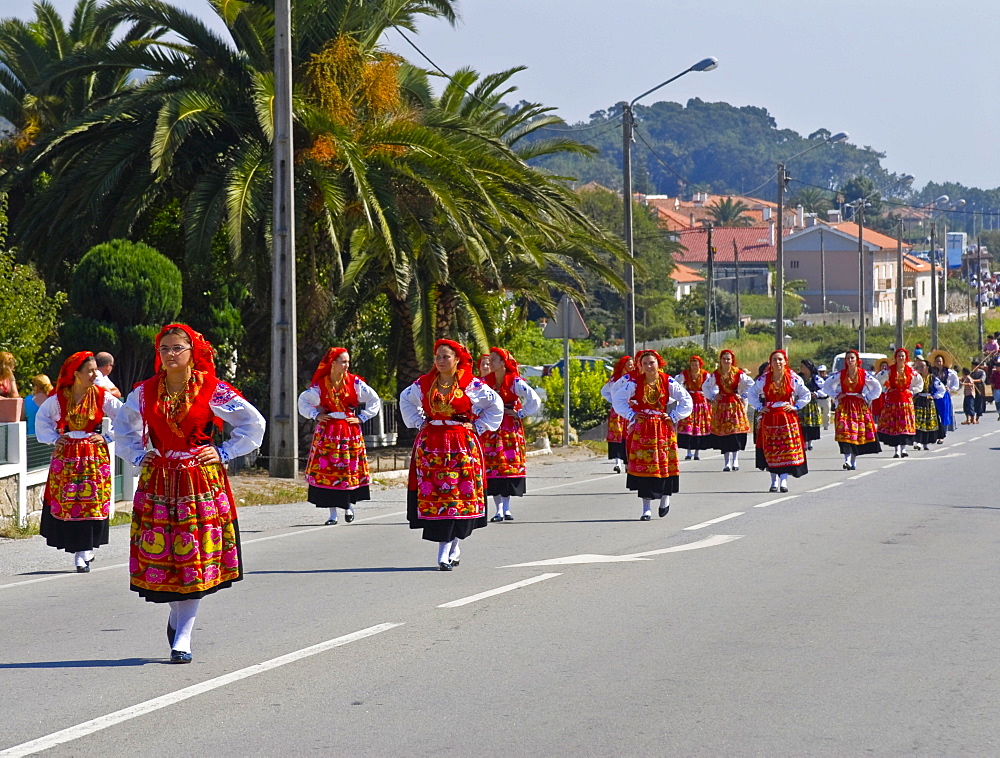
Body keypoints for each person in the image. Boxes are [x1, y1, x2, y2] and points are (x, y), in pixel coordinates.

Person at [114, 324, 265, 664]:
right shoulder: (144, 392)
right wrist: (139, 456)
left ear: (191, 352)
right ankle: (176, 615)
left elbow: (253, 423)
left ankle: (183, 634)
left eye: (177, 348)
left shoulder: (213, 389)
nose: (170, 354)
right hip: (159, 481)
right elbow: (123, 428)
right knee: (165, 554)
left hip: (200, 481)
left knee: (194, 555)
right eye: (164, 348)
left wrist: (224, 452)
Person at [399, 339, 502, 570]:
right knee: (438, 496)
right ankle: (446, 548)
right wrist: (418, 422)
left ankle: (450, 547)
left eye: (446, 357)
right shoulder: (424, 383)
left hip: (461, 445)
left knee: (457, 495)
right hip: (431, 445)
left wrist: (479, 426)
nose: (441, 361)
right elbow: (405, 399)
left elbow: (495, 404)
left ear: (457, 359)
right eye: (438, 357)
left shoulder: (471, 384)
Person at [36, 353, 122, 572]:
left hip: (93, 455)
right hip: (66, 457)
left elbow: (126, 418)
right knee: (70, 503)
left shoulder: (102, 396)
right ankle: (79, 551)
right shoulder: (60, 398)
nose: (95, 375)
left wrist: (107, 437)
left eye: (95, 370)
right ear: (76, 374)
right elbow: (42, 418)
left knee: (90, 502)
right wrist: (54, 438)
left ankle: (84, 551)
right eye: (90, 371)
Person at [298, 347, 382, 526]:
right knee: (330, 471)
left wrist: (361, 417)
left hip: (349, 431)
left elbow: (374, 399)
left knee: (348, 470)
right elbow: (303, 400)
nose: (346, 365)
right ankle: (332, 514)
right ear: (333, 363)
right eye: (343, 362)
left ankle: (349, 506)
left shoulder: (355, 382)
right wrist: (315, 415)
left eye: (348, 362)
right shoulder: (321, 385)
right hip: (328, 431)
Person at [611, 350, 692, 520]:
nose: (649, 366)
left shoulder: (668, 381)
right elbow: (617, 399)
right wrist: (632, 415)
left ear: (658, 363)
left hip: (662, 428)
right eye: (645, 363)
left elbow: (685, 399)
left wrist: (674, 416)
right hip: (643, 428)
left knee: (664, 464)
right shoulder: (634, 383)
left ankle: (665, 498)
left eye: (652, 362)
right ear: (640, 365)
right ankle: (646, 509)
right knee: (644, 466)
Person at [481, 347, 541, 522]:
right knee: (493, 468)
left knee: (507, 467)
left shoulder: (514, 381)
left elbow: (534, 399)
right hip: (491, 428)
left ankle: (506, 508)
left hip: (508, 427)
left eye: (493, 360)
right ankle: (498, 510)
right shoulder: (484, 382)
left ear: (502, 363)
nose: (490, 363)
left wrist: (520, 413)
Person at [747, 350, 811, 492]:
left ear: (785, 361)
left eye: (780, 359)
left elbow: (805, 394)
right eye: (774, 360)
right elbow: (751, 393)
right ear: (770, 362)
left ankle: (784, 481)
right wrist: (759, 407)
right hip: (770, 417)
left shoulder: (793, 378)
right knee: (771, 449)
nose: (777, 362)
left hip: (787, 417)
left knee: (786, 449)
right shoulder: (764, 379)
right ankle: (774, 481)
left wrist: (795, 406)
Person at [822, 349, 882, 470]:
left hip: (859, 407)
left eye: (852, 358)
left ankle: (853, 460)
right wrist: (835, 395)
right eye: (848, 358)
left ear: (857, 360)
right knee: (845, 431)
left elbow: (877, 386)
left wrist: (867, 396)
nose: (850, 360)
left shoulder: (864, 374)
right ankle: (847, 460)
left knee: (857, 433)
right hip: (844, 405)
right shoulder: (841, 374)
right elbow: (827, 385)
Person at [703, 349, 753, 472]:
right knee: (724, 435)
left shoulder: (738, 373)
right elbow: (705, 386)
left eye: (728, 359)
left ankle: (735, 460)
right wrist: (713, 396)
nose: (726, 361)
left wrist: (743, 395)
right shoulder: (716, 374)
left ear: (732, 360)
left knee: (735, 433)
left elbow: (750, 384)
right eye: (724, 358)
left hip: (735, 406)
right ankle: (726, 462)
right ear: (720, 360)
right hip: (722, 407)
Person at [876, 348, 920, 457]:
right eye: (899, 356)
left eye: (903, 356)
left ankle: (904, 450)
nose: (901, 358)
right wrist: (885, 389)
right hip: (893, 401)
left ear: (906, 358)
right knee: (894, 426)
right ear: (895, 357)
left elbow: (919, 382)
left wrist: (911, 391)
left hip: (905, 401)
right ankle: (896, 450)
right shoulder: (889, 370)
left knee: (904, 426)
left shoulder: (910, 370)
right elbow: (877, 379)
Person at [600, 355, 633, 473]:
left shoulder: (634, 378)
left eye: (632, 364)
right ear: (623, 365)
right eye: (629, 364)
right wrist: (613, 400)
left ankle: (628, 463)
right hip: (617, 412)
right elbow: (604, 391)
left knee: (629, 436)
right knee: (617, 436)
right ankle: (617, 462)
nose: (631, 366)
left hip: (629, 410)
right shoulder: (615, 379)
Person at [676, 355, 712, 460]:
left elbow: (711, 386)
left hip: (701, 404)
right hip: (690, 402)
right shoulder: (685, 374)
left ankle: (697, 452)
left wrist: (709, 395)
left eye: (696, 365)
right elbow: (677, 382)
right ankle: (689, 451)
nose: (694, 367)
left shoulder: (705, 375)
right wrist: (682, 393)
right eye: (692, 365)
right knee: (689, 427)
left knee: (699, 427)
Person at [913, 360, 944, 450]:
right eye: (919, 367)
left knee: (927, 423)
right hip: (918, 401)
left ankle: (925, 443)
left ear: (927, 367)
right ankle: (918, 442)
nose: (920, 369)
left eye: (922, 366)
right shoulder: (916, 377)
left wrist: (934, 396)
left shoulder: (932, 378)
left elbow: (941, 389)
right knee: (917, 422)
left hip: (929, 403)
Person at [929, 351, 959, 438]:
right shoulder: (931, 372)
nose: (938, 363)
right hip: (934, 394)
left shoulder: (948, 372)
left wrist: (951, 388)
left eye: (940, 361)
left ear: (943, 362)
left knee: (944, 414)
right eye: (937, 361)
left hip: (944, 395)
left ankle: (943, 433)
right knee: (934, 414)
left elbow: (955, 381)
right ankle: (935, 433)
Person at [797, 359, 823, 451]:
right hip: (800, 404)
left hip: (811, 404)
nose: (800, 368)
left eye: (802, 366)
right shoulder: (798, 378)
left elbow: (824, 388)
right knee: (801, 424)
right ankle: (803, 443)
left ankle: (809, 442)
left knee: (810, 423)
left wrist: (816, 394)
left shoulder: (815, 378)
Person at [815, 364, 831, 430]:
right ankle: (817, 424)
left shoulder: (829, 379)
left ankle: (826, 425)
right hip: (818, 398)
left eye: (823, 371)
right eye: (820, 371)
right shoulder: (816, 379)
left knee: (826, 413)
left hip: (826, 398)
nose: (822, 373)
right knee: (817, 412)